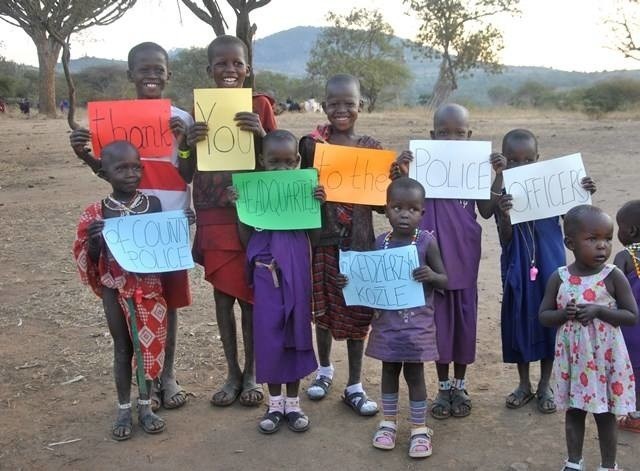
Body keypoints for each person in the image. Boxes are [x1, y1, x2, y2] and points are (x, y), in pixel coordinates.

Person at [69, 42, 193, 412]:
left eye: (158, 68)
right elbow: (108, 169)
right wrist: (86, 155)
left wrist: (184, 144)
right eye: (143, 69)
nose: (151, 75)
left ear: (168, 73)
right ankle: (146, 384)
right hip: (125, 225)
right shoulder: (113, 118)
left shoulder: (181, 118)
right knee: (131, 305)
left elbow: (188, 171)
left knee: (165, 302)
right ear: (130, 74)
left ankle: (166, 376)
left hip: (167, 221)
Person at [393, 103, 505, 419]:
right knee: (439, 327)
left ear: (469, 136)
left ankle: (460, 383)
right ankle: (443, 386)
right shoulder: (423, 170)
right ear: (432, 135)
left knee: (464, 325)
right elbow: (406, 203)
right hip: (433, 263)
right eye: (443, 133)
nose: (451, 138)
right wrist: (404, 172)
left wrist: (497, 176)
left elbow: (485, 211)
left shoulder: (474, 168)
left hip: (465, 259)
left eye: (459, 133)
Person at [184, 35, 277, 407]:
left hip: (250, 212)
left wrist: (263, 133)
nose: (229, 70)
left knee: (252, 296)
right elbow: (186, 170)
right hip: (213, 212)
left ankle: (253, 372)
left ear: (247, 69)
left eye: (237, 63)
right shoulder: (197, 109)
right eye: (221, 64)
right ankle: (232, 372)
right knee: (223, 294)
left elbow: (279, 158)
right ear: (209, 70)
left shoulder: (260, 105)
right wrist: (188, 143)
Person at [340, 177, 447, 458]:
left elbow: (445, 279)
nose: (404, 214)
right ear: (386, 210)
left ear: (422, 212)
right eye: (397, 207)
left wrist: (432, 276)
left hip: (416, 325)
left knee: (414, 373)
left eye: (412, 209)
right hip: (387, 324)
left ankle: (419, 429)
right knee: (389, 370)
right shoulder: (380, 243)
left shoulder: (426, 242)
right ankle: (388, 423)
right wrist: (349, 281)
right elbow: (371, 279)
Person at [228, 130, 324, 433]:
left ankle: (293, 404)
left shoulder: (302, 195)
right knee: (269, 337)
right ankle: (274, 403)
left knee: (296, 333)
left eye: (287, 163)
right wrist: (239, 209)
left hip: (296, 274)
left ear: (297, 162)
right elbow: (247, 241)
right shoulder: (257, 196)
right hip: (266, 275)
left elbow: (316, 239)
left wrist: (318, 205)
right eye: (273, 163)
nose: (281, 169)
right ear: (262, 163)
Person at [494, 129, 596, 414]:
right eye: (512, 161)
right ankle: (523, 384)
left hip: (552, 268)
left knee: (551, 320)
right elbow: (504, 239)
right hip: (517, 268)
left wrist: (583, 193)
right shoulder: (505, 195)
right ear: (504, 161)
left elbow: (576, 219)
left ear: (538, 160)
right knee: (520, 321)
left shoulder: (552, 188)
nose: (520, 167)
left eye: (527, 161)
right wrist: (504, 214)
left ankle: (545, 385)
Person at [73, 141, 169, 440]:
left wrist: (181, 226)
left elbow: (164, 247)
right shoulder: (98, 213)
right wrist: (94, 242)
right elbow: (88, 258)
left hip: (150, 289)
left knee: (149, 346)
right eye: (121, 168)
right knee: (123, 347)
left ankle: (146, 405)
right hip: (115, 288)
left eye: (136, 167)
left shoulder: (152, 205)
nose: (131, 173)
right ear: (104, 172)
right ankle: (124, 408)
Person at [298, 73, 380, 416]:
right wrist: (312, 194)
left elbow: (379, 205)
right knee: (324, 312)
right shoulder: (312, 145)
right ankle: (325, 370)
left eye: (349, 103)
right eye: (334, 104)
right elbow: (300, 185)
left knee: (359, 314)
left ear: (361, 106)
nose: (341, 109)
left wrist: (399, 174)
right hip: (324, 242)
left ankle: (355, 385)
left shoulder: (370, 148)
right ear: (324, 105)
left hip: (360, 244)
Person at [539, 204, 638, 471]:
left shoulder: (613, 276)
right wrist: (563, 314)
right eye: (592, 239)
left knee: (605, 415)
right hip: (575, 362)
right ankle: (574, 461)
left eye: (607, 238)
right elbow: (544, 316)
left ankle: (608, 465)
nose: (602, 246)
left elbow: (631, 315)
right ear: (569, 242)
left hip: (604, 361)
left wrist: (600, 311)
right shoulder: (559, 278)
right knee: (574, 412)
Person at [613, 200, 640, 433]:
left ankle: (636, 416)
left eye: (619, 226)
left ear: (630, 231)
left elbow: (610, 289)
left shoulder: (626, 255)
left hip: (632, 329)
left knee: (635, 373)